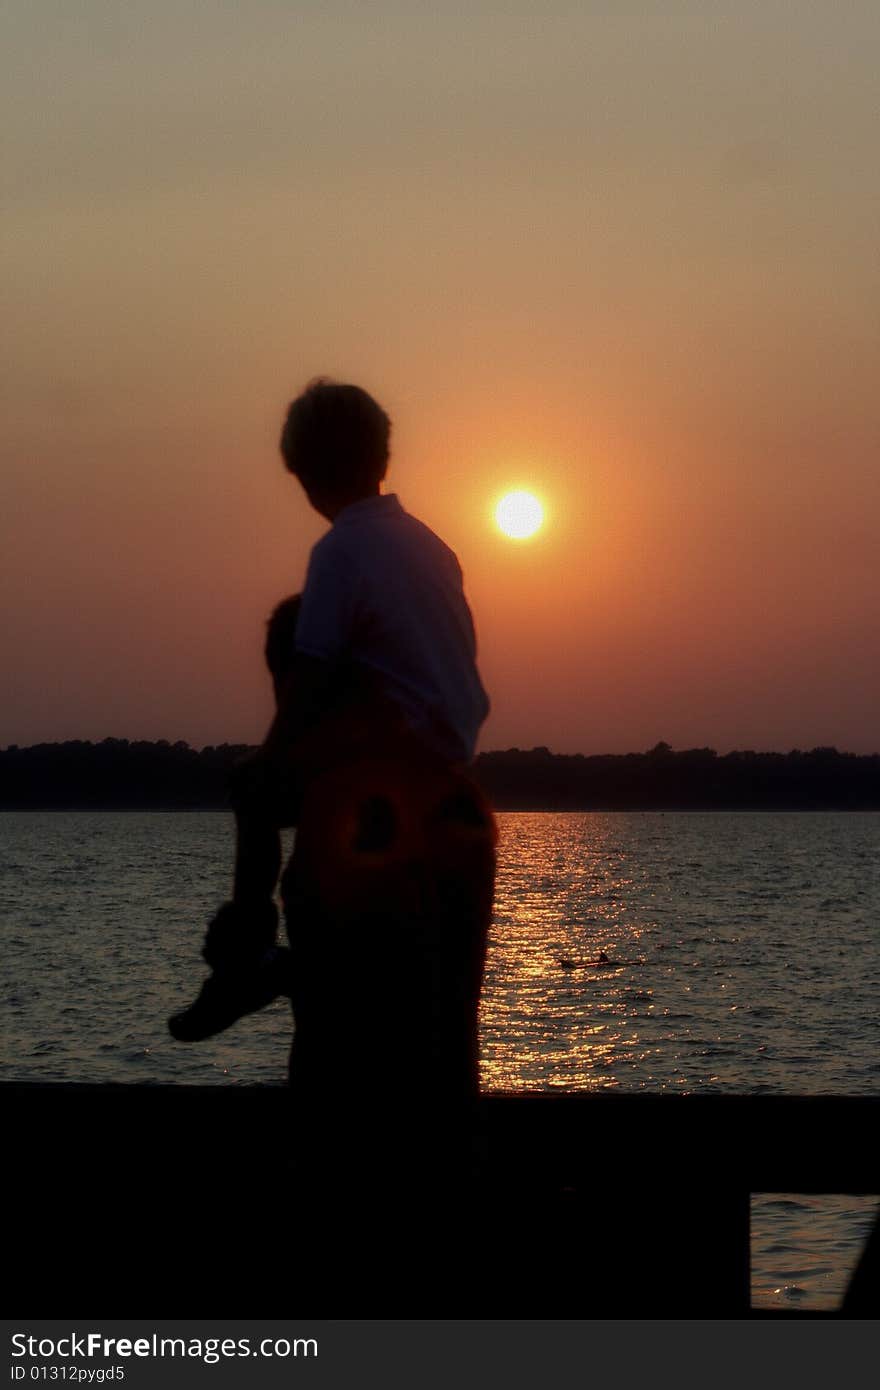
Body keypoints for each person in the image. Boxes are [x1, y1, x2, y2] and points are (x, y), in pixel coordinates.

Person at [169, 380, 495, 1062]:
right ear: (382, 455)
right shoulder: (432, 546)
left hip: (387, 751)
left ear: (303, 472)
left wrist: (270, 760)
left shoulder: (341, 551)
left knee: (253, 790)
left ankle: (247, 952)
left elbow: (311, 671)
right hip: (452, 760)